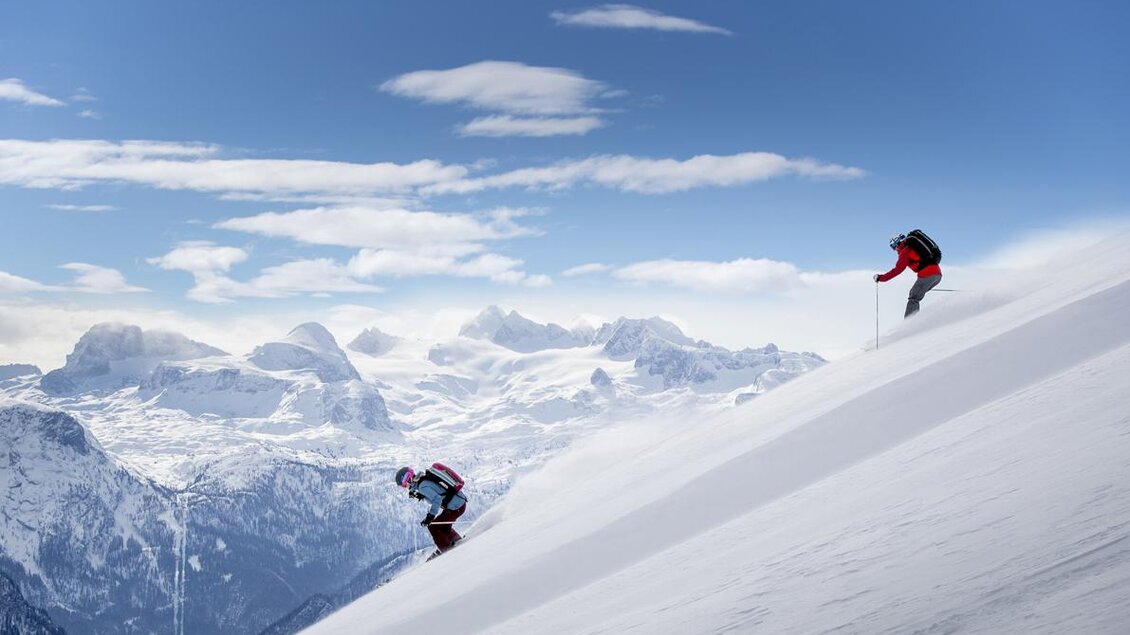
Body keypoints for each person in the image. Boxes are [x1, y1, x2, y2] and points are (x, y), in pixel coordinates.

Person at [395, 465, 468, 558]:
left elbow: (437, 499)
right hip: (458, 503)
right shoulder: (422, 480)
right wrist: (421, 495)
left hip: (456, 507)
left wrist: (430, 516)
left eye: (404, 485)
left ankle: (448, 552)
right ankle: (456, 542)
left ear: (408, 479)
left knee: (433, 527)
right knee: (443, 527)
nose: (405, 487)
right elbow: (436, 491)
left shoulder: (422, 486)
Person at [874, 232, 943, 318]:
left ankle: (910, 323)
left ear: (896, 243)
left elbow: (898, 270)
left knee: (913, 298)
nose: (895, 249)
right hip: (938, 275)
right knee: (914, 293)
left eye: (893, 246)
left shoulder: (905, 251)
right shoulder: (913, 248)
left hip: (927, 275)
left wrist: (881, 278)